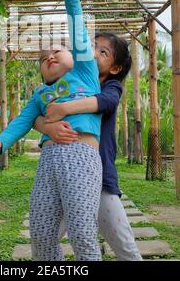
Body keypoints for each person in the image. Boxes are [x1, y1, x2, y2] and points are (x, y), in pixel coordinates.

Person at [0, 0, 103, 261]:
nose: (49, 55)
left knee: (81, 232)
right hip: (48, 160)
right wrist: (0, 141)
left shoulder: (86, 74)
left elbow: (79, 37)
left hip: (81, 156)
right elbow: (22, 122)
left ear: (73, 59)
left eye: (56, 51)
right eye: (42, 57)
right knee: (40, 233)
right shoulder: (39, 94)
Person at [34, 32, 142, 261]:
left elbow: (106, 102)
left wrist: (66, 108)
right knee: (43, 240)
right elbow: (36, 113)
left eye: (103, 52)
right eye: (93, 46)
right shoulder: (66, 81)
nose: (94, 52)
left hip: (100, 178)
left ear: (115, 68)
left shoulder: (111, 86)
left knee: (123, 245)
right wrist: (46, 127)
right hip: (61, 177)